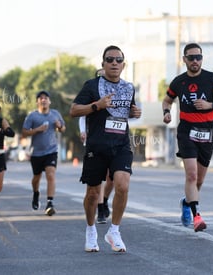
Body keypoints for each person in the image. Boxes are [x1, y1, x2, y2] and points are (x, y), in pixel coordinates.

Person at [69, 45, 141, 252]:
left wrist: (134, 113)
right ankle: (91, 230)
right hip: (97, 146)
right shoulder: (91, 85)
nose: (114, 63)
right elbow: (74, 110)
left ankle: (114, 230)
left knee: (123, 185)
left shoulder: (129, 87)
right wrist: (96, 106)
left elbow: (125, 112)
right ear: (103, 64)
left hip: (121, 145)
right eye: (110, 59)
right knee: (93, 194)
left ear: (124, 64)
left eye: (119, 60)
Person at [162, 43, 213, 232]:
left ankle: (187, 203)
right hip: (186, 131)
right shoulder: (179, 81)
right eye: (191, 57)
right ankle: (197, 216)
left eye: (198, 57)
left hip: (208, 132)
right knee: (191, 175)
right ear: (184, 59)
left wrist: (211, 105)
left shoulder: (211, 79)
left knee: (199, 180)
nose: (195, 61)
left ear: (202, 59)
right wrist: (166, 112)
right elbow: (167, 99)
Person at [22, 90, 66, 216]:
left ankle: (50, 202)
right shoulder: (32, 116)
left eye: (46, 98)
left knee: (50, 175)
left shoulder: (55, 114)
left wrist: (59, 126)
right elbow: (24, 132)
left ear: (49, 101)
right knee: (36, 178)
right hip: (36, 153)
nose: (43, 100)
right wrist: (37, 130)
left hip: (51, 151)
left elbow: (63, 128)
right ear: (37, 102)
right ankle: (36, 193)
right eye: (41, 98)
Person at [78, 68, 114, 224]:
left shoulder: (117, 91)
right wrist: (83, 131)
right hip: (96, 139)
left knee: (111, 178)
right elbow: (81, 115)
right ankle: (100, 209)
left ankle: (104, 200)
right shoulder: (92, 92)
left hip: (114, 140)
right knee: (97, 182)